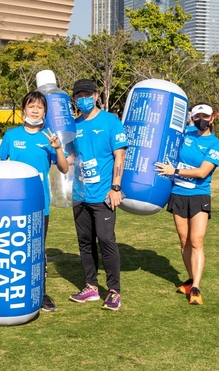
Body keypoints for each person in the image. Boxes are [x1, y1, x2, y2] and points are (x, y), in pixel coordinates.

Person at [0, 91, 69, 312]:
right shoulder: (11, 136)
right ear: (23, 111)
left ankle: (40, 293)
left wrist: (57, 148)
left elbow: (64, 168)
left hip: (40, 204)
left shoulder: (49, 137)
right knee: (13, 247)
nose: (35, 111)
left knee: (36, 249)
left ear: (45, 112)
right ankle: (12, 288)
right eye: (31, 106)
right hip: (14, 203)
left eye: (40, 107)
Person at [67, 79, 128, 311]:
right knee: (85, 242)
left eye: (87, 95)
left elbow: (119, 156)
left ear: (96, 95)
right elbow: (71, 158)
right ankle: (91, 287)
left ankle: (113, 291)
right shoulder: (74, 125)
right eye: (78, 96)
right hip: (80, 195)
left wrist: (116, 188)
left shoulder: (111, 121)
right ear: (74, 100)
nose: (83, 99)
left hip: (103, 195)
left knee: (105, 239)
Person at [154, 102, 219, 305]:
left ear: (212, 117)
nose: (201, 120)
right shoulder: (186, 133)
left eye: (205, 116)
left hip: (199, 195)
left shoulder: (215, 144)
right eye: (196, 117)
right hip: (178, 193)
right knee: (184, 241)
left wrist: (174, 171)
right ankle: (191, 279)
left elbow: (202, 172)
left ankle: (196, 288)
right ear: (192, 118)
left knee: (196, 240)